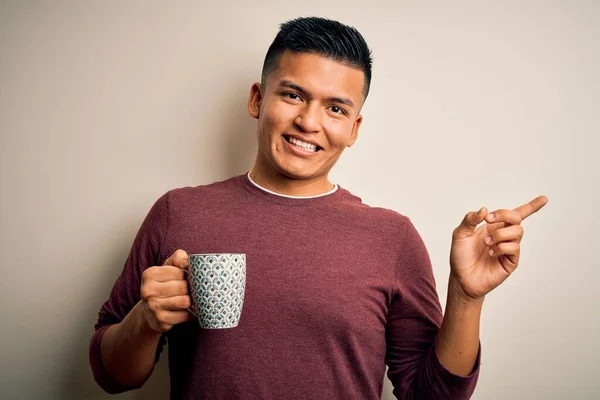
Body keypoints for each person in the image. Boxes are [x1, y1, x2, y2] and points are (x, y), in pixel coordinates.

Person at [89, 17, 547, 399]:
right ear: (257, 99)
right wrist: (144, 323)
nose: (309, 122)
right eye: (292, 95)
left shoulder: (391, 238)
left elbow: (431, 396)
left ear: (354, 128)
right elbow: (110, 375)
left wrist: (466, 298)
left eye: (335, 109)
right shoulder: (178, 213)